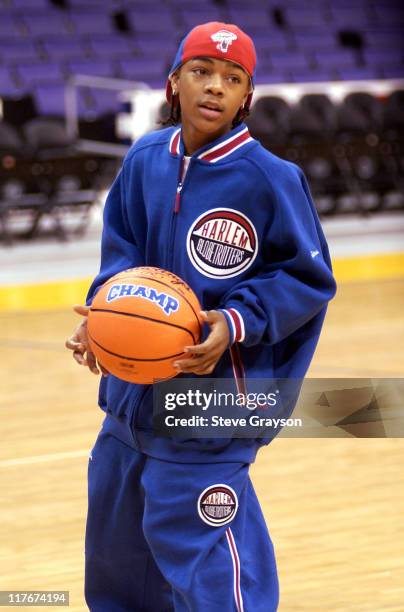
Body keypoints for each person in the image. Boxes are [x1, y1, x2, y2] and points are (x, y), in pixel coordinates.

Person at [66, 21, 336, 612]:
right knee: (116, 559)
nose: (215, 87)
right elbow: (122, 258)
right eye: (202, 72)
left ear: (247, 98)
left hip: (211, 408)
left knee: (207, 557)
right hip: (129, 402)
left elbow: (308, 278)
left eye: (231, 78)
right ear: (173, 84)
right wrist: (102, 317)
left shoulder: (271, 178)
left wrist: (234, 323)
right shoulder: (143, 160)